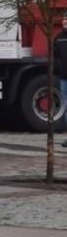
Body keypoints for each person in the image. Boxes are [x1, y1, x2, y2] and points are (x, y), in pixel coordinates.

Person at [54, 13, 67, 148]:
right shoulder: (59, 38)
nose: (65, 21)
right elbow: (54, 56)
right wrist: (57, 68)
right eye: (64, 19)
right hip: (64, 78)